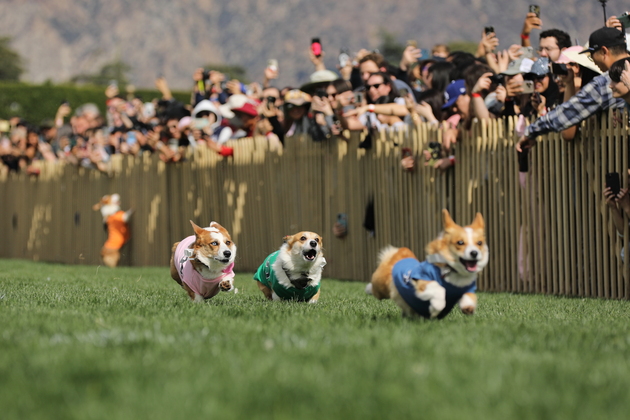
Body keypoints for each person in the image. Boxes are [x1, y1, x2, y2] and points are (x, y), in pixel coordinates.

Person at [516, 27, 629, 152]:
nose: (593, 62)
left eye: (591, 55)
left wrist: (532, 131)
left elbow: (569, 112)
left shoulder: (606, 82)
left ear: (603, 52)